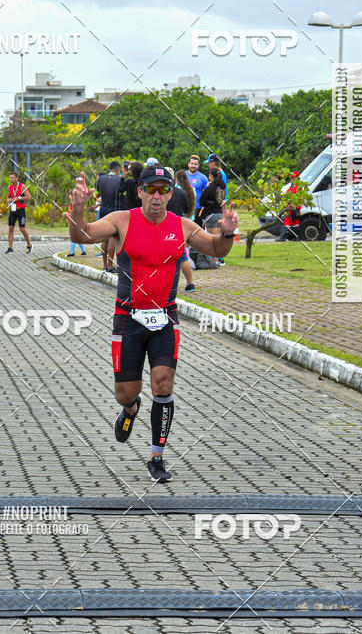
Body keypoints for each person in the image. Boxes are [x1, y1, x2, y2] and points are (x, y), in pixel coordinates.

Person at [68, 164, 239, 483]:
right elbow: (82, 234)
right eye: (152, 189)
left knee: (163, 383)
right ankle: (131, 410)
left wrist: (226, 232)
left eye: (164, 189)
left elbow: (217, 249)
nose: (158, 195)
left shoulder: (183, 226)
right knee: (125, 392)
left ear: (170, 193)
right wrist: (78, 207)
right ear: (140, 192)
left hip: (165, 318)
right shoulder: (122, 221)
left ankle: (156, 458)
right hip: (128, 318)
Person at [169, 170, 196, 292]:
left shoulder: (159, 194)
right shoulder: (181, 193)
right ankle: (190, 283)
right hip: (178, 226)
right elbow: (187, 209)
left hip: (161, 226)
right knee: (182, 256)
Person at [95, 161, 122, 273]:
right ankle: (110, 266)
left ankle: (104, 265)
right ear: (118, 169)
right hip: (114, 209)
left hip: (103, 209)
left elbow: (97, 195)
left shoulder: (100, 179)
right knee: (112, 238)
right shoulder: (119, 180)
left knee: (104, 237)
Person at [198, 169, 227, 263]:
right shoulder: (222, 187)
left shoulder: (210, 188)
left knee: (213, 239)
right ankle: (218, 260)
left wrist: (206, 188)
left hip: (211, 215)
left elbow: (201, 201)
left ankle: (213, 261)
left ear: (211, 176)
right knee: (219, 238)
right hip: (220, 213)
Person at [6, 171, 32, 254]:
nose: (11, 179)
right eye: (10, 178)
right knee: (11, 228)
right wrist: (9, 200)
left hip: (21, 210)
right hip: (12, 210)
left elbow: (28, 197)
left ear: (17, 178)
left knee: (22, 229)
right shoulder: (9, 187)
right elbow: (8, 198)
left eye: (13, 178)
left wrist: (19, 198)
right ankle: (10, 247)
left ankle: (29, 244)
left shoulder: (22, 186)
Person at [277, 171, 301, 241]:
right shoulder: (293, 185)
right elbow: (287, 194)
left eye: (293, 177)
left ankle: (284, 237)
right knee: (294, 222)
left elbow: (294, 196)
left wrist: (289, 204)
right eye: (291, 177)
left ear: (297, 178)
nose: (291, 179)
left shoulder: (297, 186)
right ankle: (295, 237)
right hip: (292, 207)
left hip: (294, 207)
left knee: (288, 221)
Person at [62, 190, 86, 257]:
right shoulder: (72, 204)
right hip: (73, 223)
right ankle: (83, 251)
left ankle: (72, 253)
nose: (69, 196)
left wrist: (66, 213)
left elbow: (74, 214)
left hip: (75, 224)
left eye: (69, 195)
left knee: (73, 238)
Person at [186, 156, 207, 222]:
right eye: (192, 163)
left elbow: (207, 193)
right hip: (185, 207)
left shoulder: (203, 177)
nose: (193, 166)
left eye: (195, 164)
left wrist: (204, 207)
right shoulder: (183, 176)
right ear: (188, 164)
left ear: (198, 166)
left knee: (197, 230)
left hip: (198, 208)